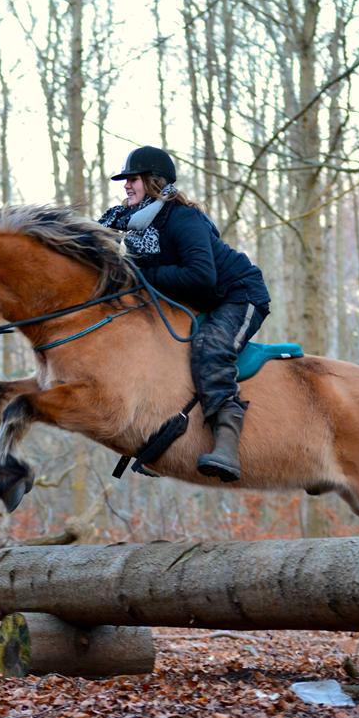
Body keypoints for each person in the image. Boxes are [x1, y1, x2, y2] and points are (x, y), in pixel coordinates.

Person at [98, 146, 271, 482]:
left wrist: (140, 276)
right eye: (125, 180)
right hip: (200, 299)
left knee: (210, 347)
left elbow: (200, 275)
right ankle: (157, 436)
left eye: (133, 179)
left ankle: (227, 442)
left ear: (153, 181)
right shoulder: (132, 226)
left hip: (239, 295)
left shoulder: (182, 218)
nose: (126, 185)